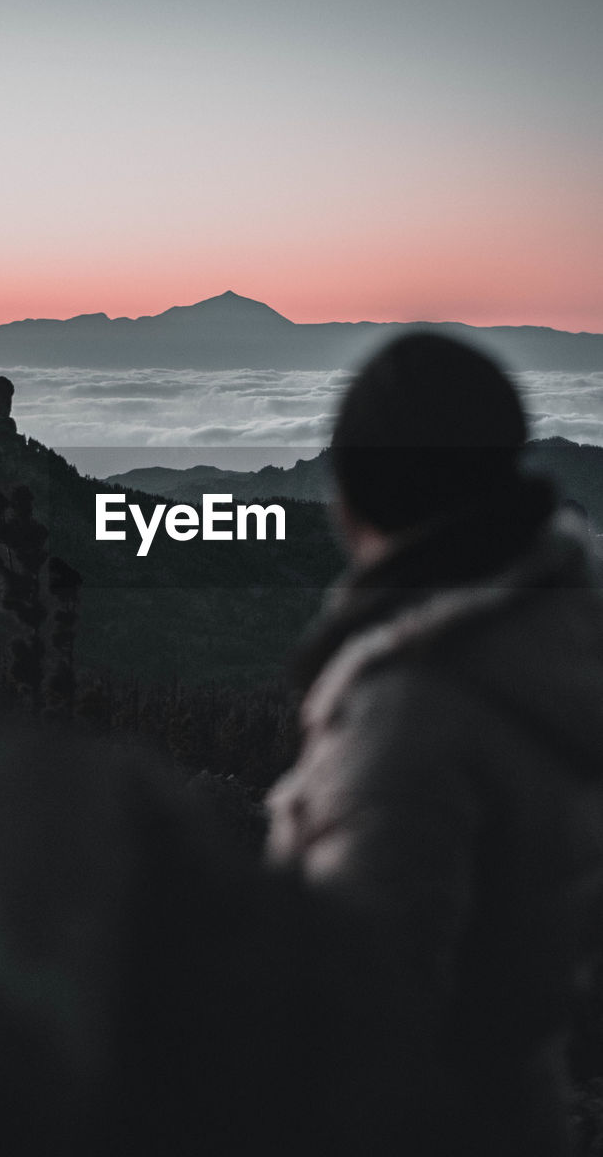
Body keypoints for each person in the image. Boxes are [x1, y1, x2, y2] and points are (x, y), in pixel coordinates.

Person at [265, 332, 603, 1156]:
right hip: (524, 1108)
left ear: (360, 493)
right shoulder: (560, 631)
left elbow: (355, 1023)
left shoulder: (408, 716)